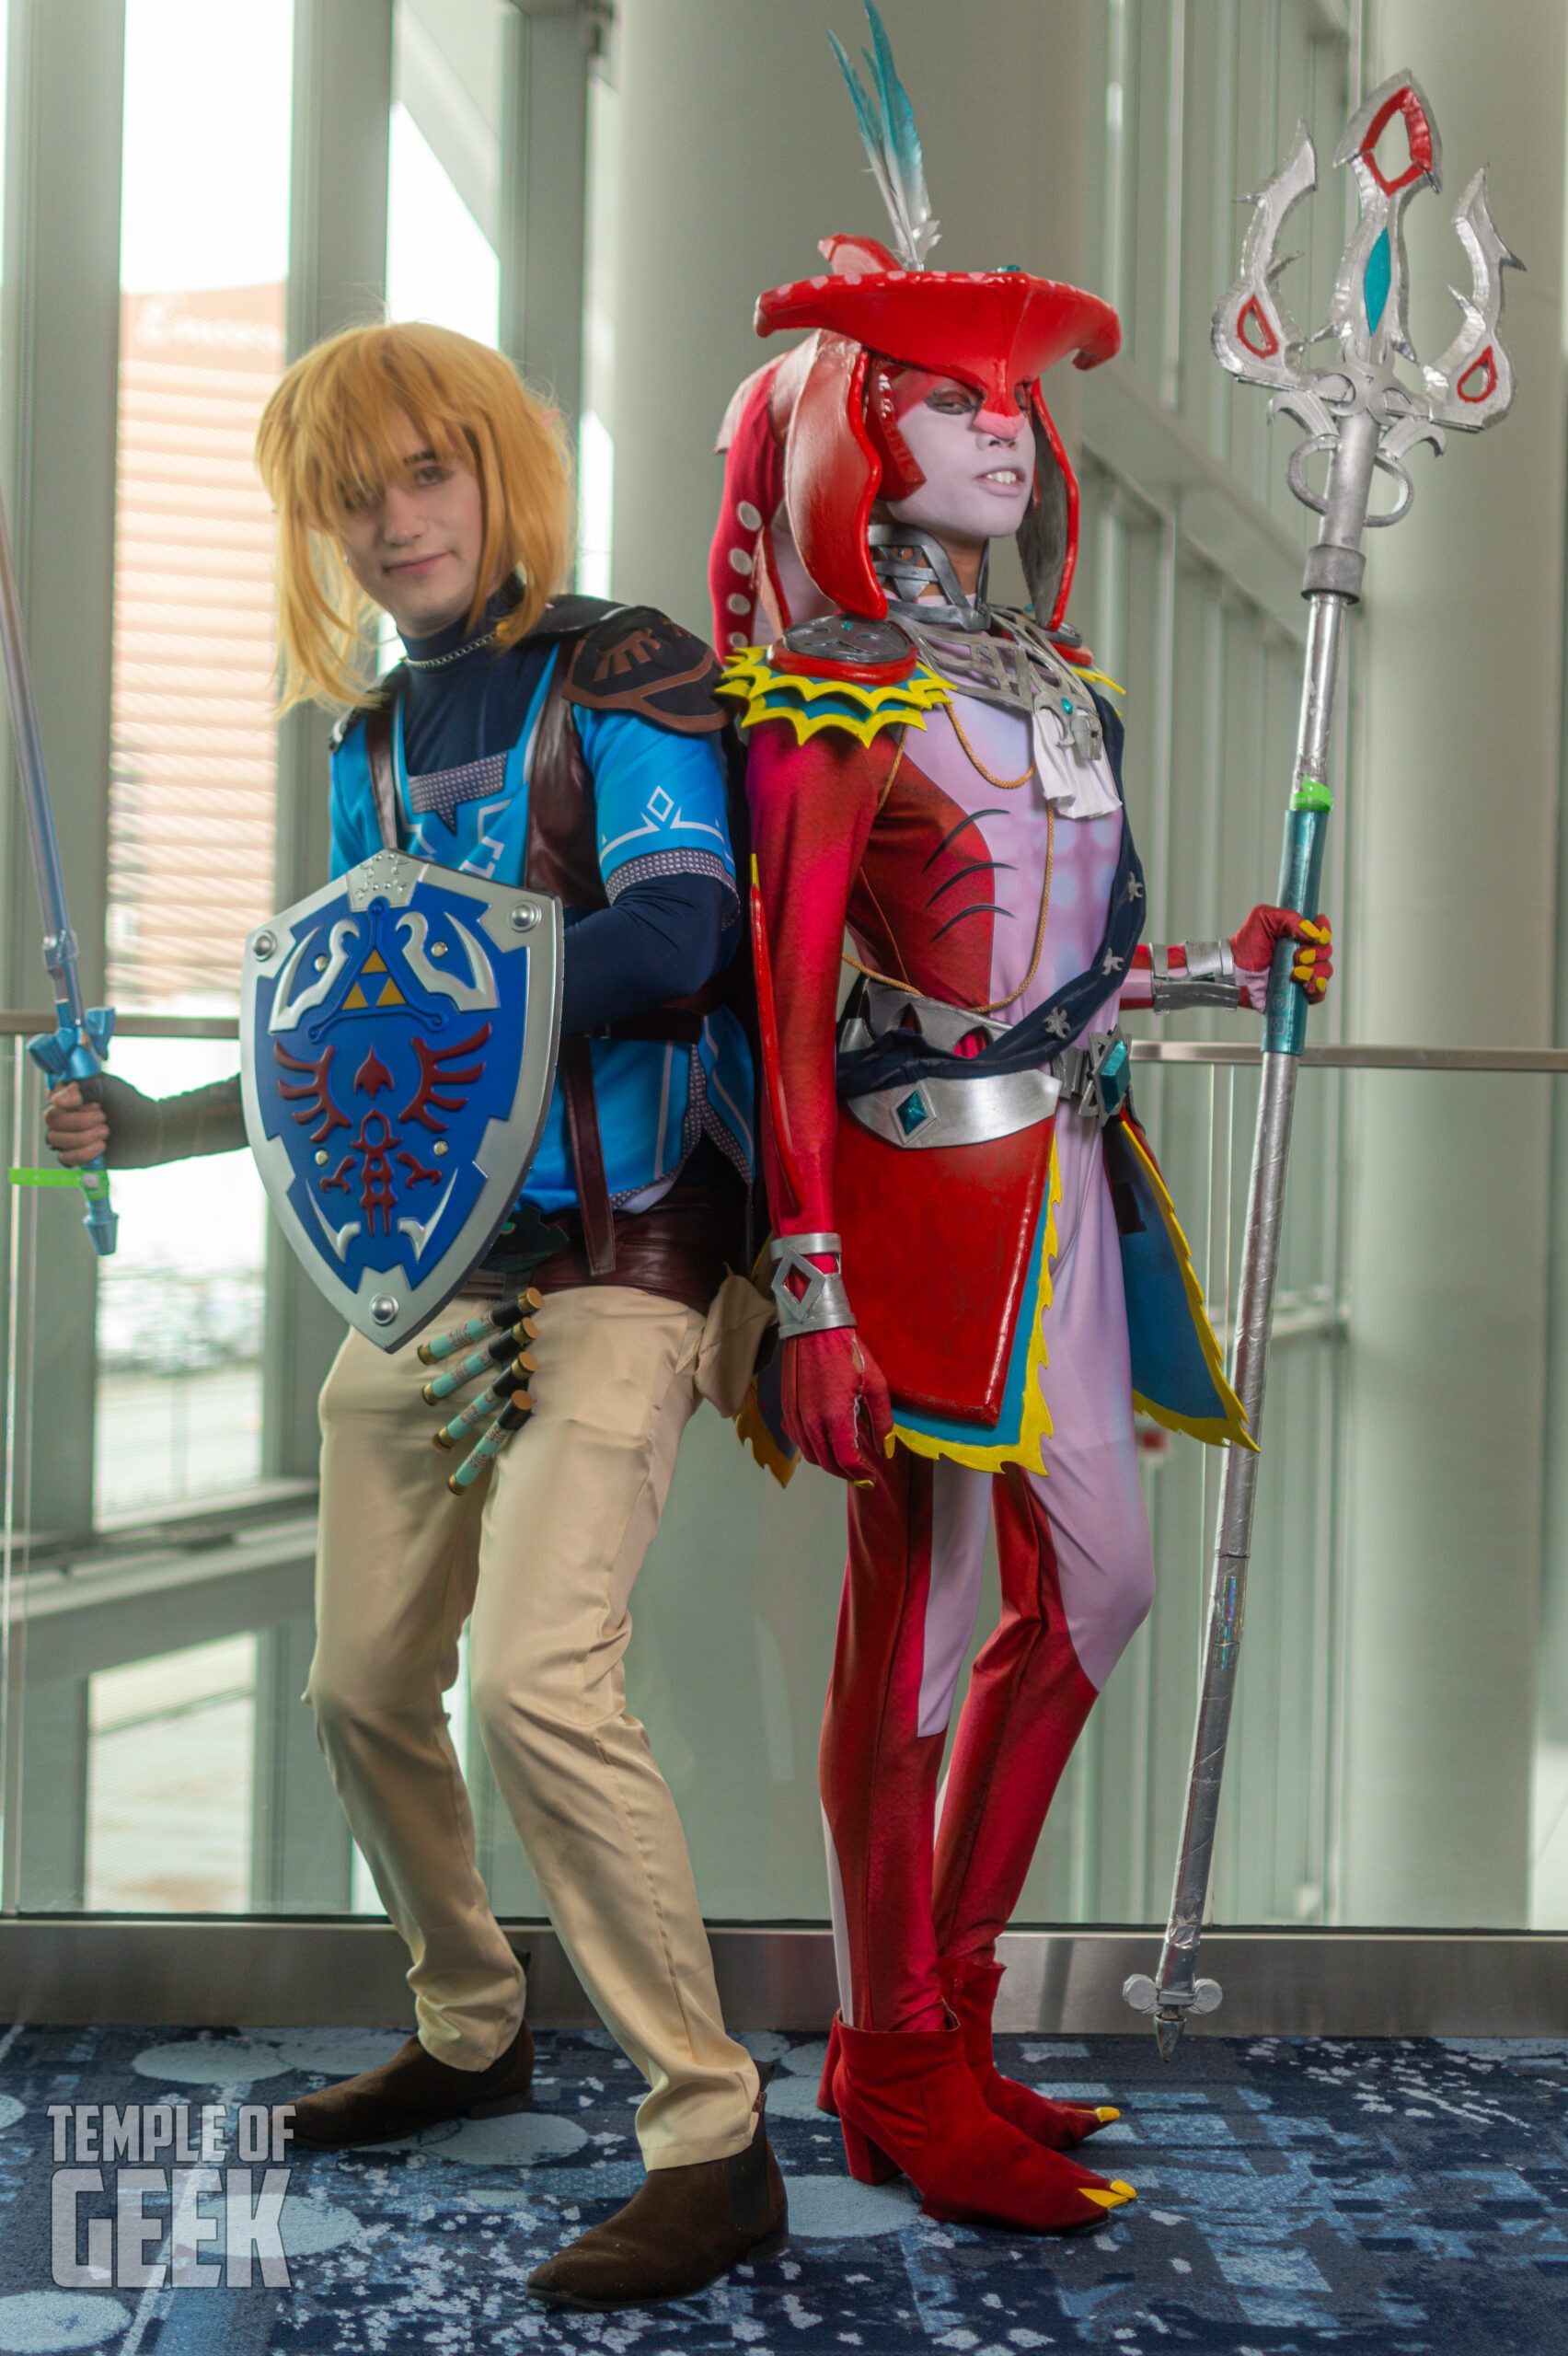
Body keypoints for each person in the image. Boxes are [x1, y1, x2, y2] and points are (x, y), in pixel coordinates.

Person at [46, 318, 785, 2312]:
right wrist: (158, 1120)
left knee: (538, 1679)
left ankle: (713, 2136)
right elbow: (348, 1040)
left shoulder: (621, 670)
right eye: (350, 496)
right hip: (437, 1266)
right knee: (362, 1689)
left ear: (497, 471)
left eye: (423, 475)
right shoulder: (373, 735)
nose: (392, 522)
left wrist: (439, 994)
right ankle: (473, 2020)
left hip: (628, 1250)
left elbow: (678, 932)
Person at [712, 11, 1332, 2240]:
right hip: (909, 1208)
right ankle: (890, 2062)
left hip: (1072, 1174)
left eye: (1005, 398)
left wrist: (1215, 968)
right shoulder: (827, 697)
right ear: (853, 437)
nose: (995, 428)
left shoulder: (1063, 685)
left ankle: (953, 2019)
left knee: (1109, 1586)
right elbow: (795, 1010)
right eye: (942, 395)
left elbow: (1056, 966)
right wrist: (803, 1286)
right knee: (926, 1600)